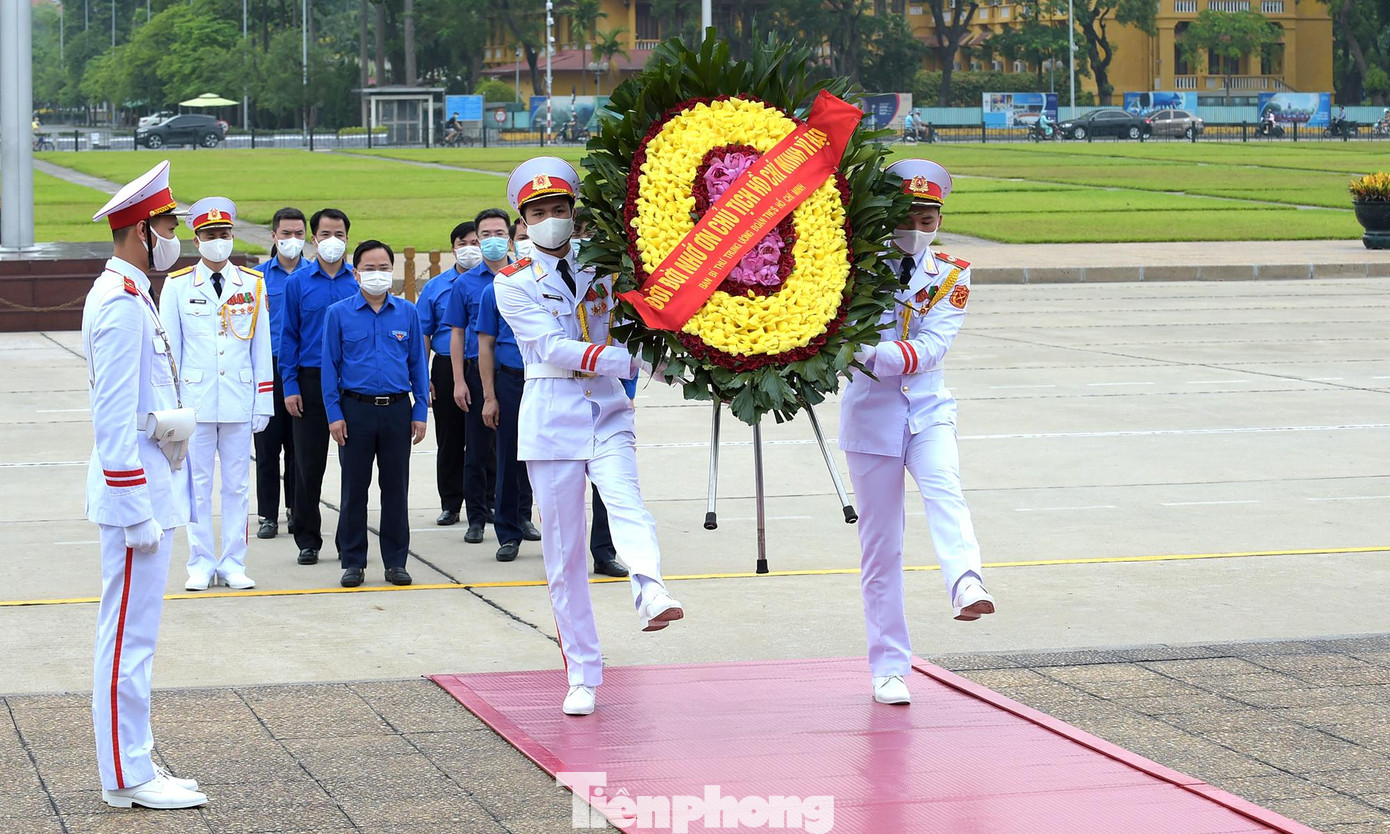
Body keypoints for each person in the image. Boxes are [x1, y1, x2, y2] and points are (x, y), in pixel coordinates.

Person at [494, 157, 683, 716]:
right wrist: (633, 362)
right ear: (522, 221)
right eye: (538, 212)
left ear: (574, 215)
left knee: (627, 502)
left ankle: (650, 590)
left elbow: (636, 323)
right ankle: (582, 672)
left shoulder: (605, 266)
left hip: (606, 409)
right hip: (552, 415)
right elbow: (552, 347)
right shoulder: (512, 283)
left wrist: (676, 361)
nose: (550, 219)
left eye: (559, 209)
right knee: (565, 555)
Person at [840, 158, 996, 707]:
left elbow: (934, 346)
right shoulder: (853, 269)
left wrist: (876, 355)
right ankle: (888, 667)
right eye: (909, 215)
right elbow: (841, 338)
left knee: (945, 489)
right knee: (881, 548)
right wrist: (876, 355)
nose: (917, 227)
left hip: (929, 411)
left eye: (928, 217)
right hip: (870, 423)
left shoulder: (953, 272)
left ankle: (966, 581)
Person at [84, 159, 207, 809]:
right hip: (134, 495)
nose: (175, 237)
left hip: (147, 488)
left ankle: (135, 761)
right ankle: (127, 775)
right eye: (167, 225)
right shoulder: (122, 305)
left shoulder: (130, 295)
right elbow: (113, 419)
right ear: (140, 231)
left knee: (138, 638)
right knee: (127, 640)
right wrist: (135, 508)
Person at [159, 197, 273, 591]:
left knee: (238, 485)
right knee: (197, 484)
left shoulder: (253, 284)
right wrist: (171, 407)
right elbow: (168, 351)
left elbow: (261, 347)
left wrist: (264, 401)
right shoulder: (176, 286)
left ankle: (233, 562)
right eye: (210, 235)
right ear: (197, 241)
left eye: (224, 234)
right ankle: (200, 562)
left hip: (240, 398)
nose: (218, 242)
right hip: (196, 400)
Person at [322, 240, 430, 588]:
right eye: (370, 269)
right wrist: (334, 414)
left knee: (395, 489)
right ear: (356, 274)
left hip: (397, 409)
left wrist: (421, 410)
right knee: (354, 489)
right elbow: (329, 367)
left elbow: (418, 365)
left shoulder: (407, 312)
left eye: (384, 268)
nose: (378, 275)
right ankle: (353, 561)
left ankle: (396, 561)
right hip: (355, 411)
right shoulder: (338, 313)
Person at [280, 208, 359, 566]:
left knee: (353, 466)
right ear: (314, 239)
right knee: (308, 465)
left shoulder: (357, 280)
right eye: (326, 234)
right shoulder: (298, 282)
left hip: (349, 382)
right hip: (310, 380)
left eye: (339, 234)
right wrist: (290, 384)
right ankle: (307, 538)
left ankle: (350, 540)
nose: (333, 241)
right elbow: (289, 336)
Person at [443, 221, 514, 546]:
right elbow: (457, 333)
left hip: (515, 373)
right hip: (476, 372)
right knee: (477, 449)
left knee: (518, 450)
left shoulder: (524, 277)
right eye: (485, 235)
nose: (492, 241)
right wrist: (458, 380)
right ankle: (476, 519)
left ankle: (519, 515)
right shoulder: (466, 283)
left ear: (510, 238)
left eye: (499, 234)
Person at [416, 222, 483, 527]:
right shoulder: (436, 287)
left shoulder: (496, 282)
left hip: (485, 365)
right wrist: (422, 377)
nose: (471, 247)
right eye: (464, 242)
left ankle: (488, 501)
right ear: (454, 246)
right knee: (450, 436)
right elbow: (424, 334)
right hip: (445, 366)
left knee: (488, 438)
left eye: (476, 241)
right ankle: (451, 503)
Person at [250, 208, 307, 539]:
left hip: (301, 367)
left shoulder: (313, 275)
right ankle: (267, 514)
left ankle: (296, 509)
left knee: (299, 446)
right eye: (286, 234)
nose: (292, 240)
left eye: (298, 234)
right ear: (273, 236)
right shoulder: (256, 278)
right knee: (268, 445)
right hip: (267, 366)